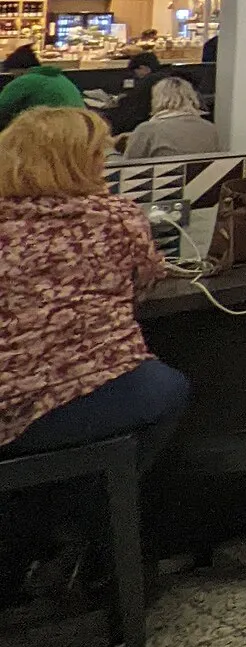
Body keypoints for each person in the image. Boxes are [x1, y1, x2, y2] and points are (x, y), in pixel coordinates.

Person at [0, 108, 191, 473]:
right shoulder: (115, 217)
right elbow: (146, 280)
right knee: (170, 387)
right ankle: (109, 495)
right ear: (79, 163)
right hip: (82, 391)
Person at [121, 77, 219, 158]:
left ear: (157, 99)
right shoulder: (210, 128)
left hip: (163, 175)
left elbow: (128, 166)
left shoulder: (148, 130)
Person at [0, 53, 84, 130]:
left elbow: (2, 107)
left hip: (53, 132)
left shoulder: (25, 80)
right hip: (80, 129)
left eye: (13, 73)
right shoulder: (60, 78)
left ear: (18, 70)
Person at [105, 51, 163, 136]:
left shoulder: (147, 82)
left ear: (143, 68)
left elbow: (134, 109)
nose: (135, 75)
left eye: (136, 71)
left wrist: (121, 100)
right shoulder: (167, 78)